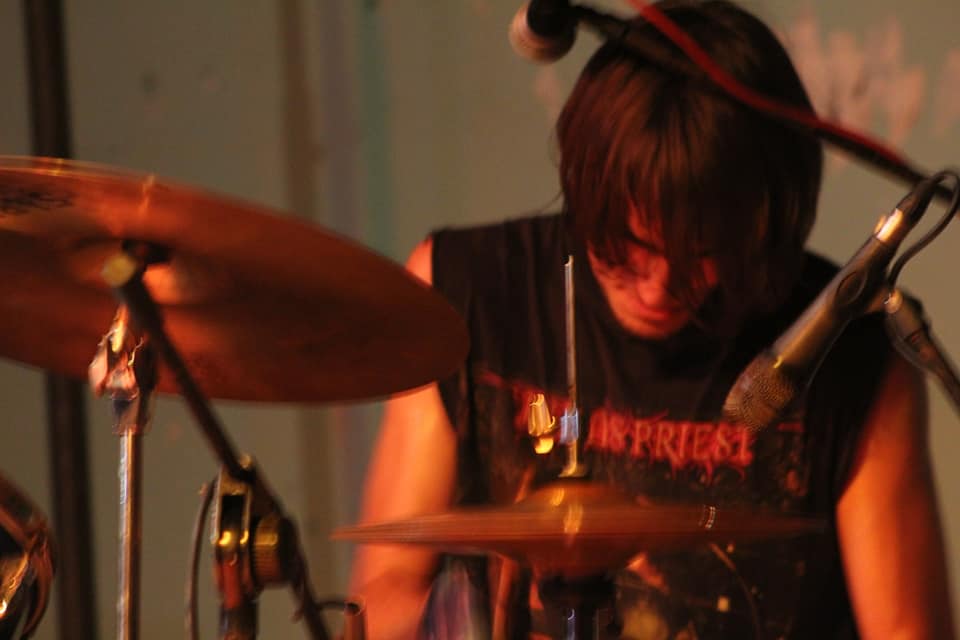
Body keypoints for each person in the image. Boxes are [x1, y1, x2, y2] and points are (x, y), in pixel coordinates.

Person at [348, 1, 956, 638]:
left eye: (702, 254)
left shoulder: (849, 352)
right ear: (588, 185)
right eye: (630, 245)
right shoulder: (465, 288)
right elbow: (381, 595)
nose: (659, 285)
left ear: (761, 227)